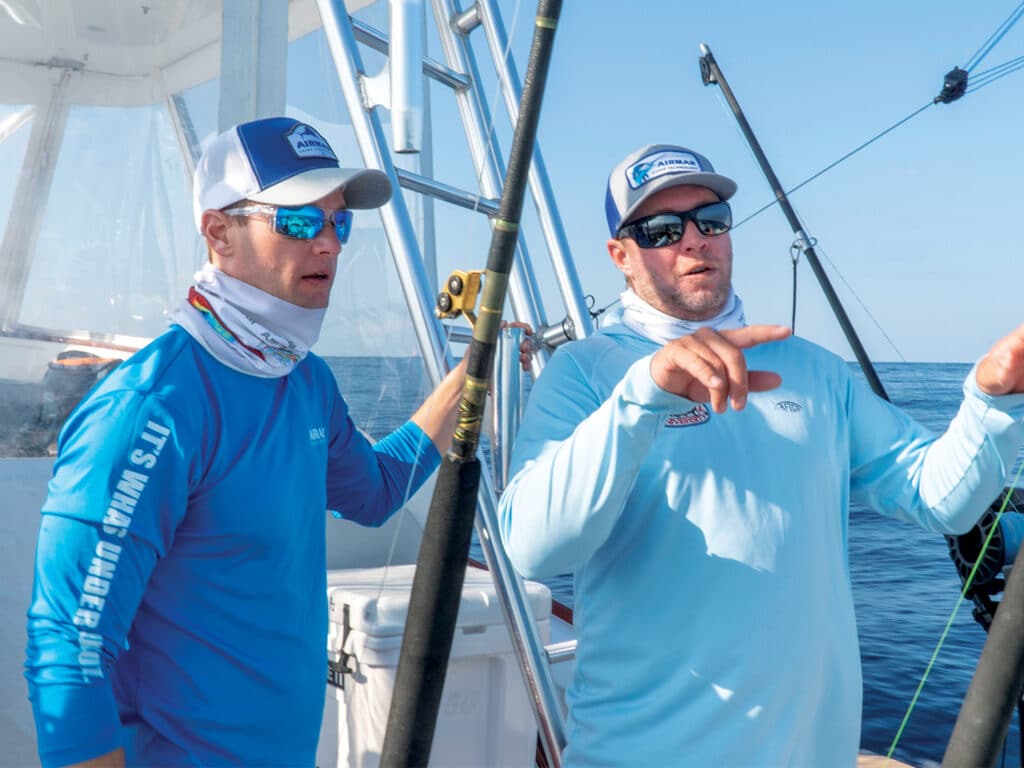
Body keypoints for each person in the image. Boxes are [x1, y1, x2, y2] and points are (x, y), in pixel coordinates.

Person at [497, 143, 1024, 767]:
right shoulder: (585, 373)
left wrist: (993, 401)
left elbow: (941, 497)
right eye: (661, 229)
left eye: (710, 219)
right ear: (622, 257)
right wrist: (645, 395)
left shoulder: (817, 372)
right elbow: (533, 547)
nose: (694, 240)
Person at [24, 116, 466, 768]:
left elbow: (373, 494)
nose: (328, 245)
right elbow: (70, 642)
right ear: (218, 234)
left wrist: (472, 377)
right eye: (297, 221)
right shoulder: (155, 405)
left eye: (338, 222)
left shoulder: (305, 380)